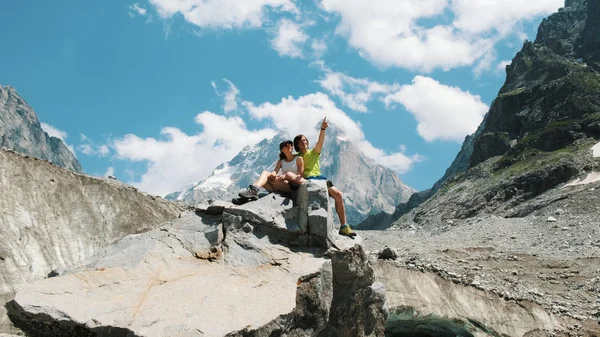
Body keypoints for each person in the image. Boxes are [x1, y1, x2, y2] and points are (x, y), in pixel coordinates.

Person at [293, 117, 356, 237]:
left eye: (305, 140)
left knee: (338, 195)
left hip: (320, 179)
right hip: (308, 180)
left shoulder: (313, 153)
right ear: (297, 145)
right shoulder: (296, 157)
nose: (304, 142)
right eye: (301, 141)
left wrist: (323, 129)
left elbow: (320, 142)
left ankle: (344, 226)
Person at [238, 140, 306, 200]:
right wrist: (273, 174)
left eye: (290, 145)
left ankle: (251, 192)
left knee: (264, 177)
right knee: (264, 175)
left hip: (292, 187)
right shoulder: (281, 161)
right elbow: (275, 171)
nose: (289, 146)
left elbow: (300, 176)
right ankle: (250, 193)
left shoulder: (298, 158)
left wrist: (286, 177)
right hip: (282, 185)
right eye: (286, 145)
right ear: (282, 150)